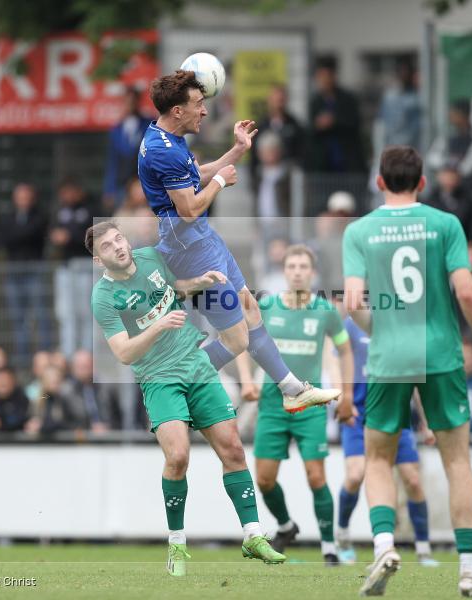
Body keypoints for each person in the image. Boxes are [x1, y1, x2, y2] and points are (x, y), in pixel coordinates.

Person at [342, 146, 472, 597]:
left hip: (389, 357)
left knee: (378, 458)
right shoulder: (445, 224)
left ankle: (383, 547)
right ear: (423, 183)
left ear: (379, 182)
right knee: (457, 461)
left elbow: (353, 301)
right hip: (442, 356)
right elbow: (469, 295)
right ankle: (469, 569)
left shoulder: (359, 231)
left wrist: (382, 330)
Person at [87, 220, 285, 574]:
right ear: (100, 261)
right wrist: (158, 326)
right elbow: (123, 354)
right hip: (159, 379)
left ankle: (254, 535)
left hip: (196, 365)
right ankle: (177, 544)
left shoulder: (149, 257)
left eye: (119, 239)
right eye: (107, 246)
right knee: (178, 457)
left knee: (234, 449)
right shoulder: (102, 297)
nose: (118, 246)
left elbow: (174, 287)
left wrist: (200, 282)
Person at [137, 69, 340, 412]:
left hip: (201, 239)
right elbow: (188, 209)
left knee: (250, 309)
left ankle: (291, 389)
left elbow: (193, 176)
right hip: (189, 248)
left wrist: (237, 151)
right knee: (236, 339)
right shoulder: (163, 151)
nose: (204, 111)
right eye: (199, 104)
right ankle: (173, 381)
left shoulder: (168, 138)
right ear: (177, 111)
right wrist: (219, 181)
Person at [235, 245, 354, 565]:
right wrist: (246, 381)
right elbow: (241, 341)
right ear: (284, 271)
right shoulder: (268, 306)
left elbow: (344, 351)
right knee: (264, 479)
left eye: (304, 266)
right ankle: (286, 527)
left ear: (312, 273)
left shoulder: (325, 311)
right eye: (292, 266)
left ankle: (329, 547)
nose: (298, 271)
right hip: (273, 404)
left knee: (316, 477)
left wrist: (347, 394)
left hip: (309, 405)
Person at [334, 308, 439, 568]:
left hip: (394, 413)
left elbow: (413, 378)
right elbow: (336, 363)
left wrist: (426, 423)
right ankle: (343, 536)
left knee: (413, 480)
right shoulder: (350, 325)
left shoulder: (401, 326)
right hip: (358, 415)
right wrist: (342, 398)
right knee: (355, 475)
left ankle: (423, 549)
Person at [0, 182, 51, 358]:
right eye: (20, 196)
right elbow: (5, 238)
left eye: (26, 196)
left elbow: (33, 233)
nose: (23, 200)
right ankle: (23, 357)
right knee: (18, 318)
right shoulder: (8, 217)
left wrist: (19, 234)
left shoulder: (40, 216)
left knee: (40, 315)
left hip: (34, 272)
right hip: (14, 272)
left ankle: (44, 355)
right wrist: (21, 234)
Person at [50, 178, 94, 358]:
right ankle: (68, 355)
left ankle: (87, 354)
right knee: (66, 313)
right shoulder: (59, 210)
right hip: (65, 268)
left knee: (86, 313)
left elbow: (95, 234)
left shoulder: (91, 208)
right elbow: (52, 231)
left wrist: (70, 236)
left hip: (86, 268)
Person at [307, 57, 366, 175]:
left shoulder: (347, 99)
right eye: (320, 77)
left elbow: (355, 123)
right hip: (324, 165)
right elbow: (310, 130)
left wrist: (334, 121)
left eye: (326, 76)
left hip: (347, 162)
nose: (323, 80)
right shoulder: (315, 102)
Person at [103, 87, 153, 211]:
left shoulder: (149, 124)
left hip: (143, 184)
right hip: (122, 184)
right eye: (127, 101)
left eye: (133, 101)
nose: (130, 104)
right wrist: (110, 189)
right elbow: (113, 161)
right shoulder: (116, 130)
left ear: (138, 102)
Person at [59, 350, 113, 432]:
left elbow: (116, 416)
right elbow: (64, 422)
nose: (85, 370)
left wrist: (108, 426)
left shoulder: (105, 387)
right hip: (79, 440)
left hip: (109, 438)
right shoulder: (66, 391)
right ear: (73, 368)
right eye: (81, 367)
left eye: (87, 366)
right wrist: (90, 428)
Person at [423, 160, 472, 238]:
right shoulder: (430, 201)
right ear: (439, 176)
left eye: (452, 174)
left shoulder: (469, 201)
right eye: (446, 174)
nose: (449, 179)